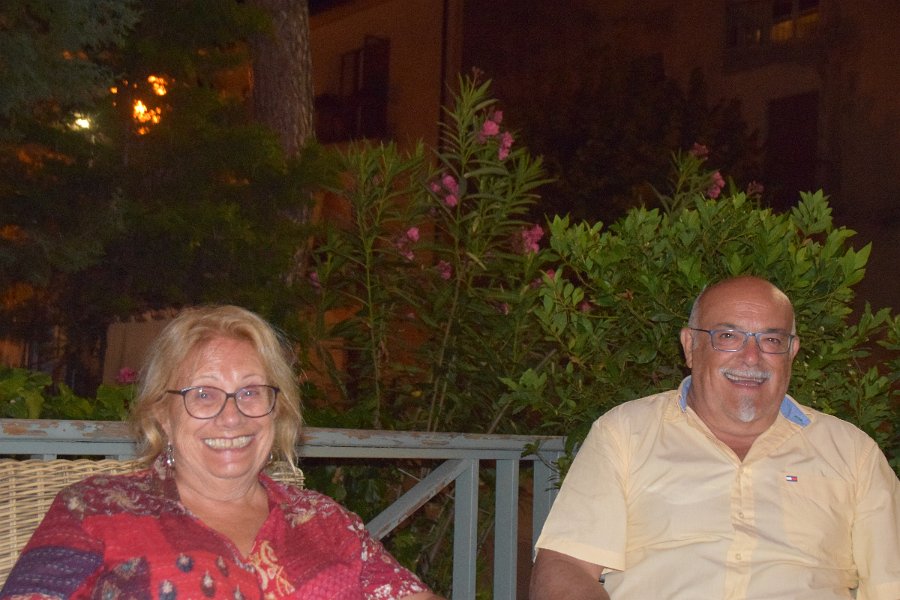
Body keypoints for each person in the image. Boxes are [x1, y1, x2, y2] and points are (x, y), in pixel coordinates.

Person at [1, 305, 443, 600]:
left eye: (250, 392)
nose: (232, 417)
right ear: (162, 414)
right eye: (203, 395)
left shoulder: (326, 521)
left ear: (277, 408)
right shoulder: (94, 510)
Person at [530, 276, 900, 600]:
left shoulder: (852, 454)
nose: (751, 358)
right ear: (690, 346)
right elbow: (566, 564)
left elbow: (891, 583)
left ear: (792, 352)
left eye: (771, 339)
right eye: (728, 337)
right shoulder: (625, 433)